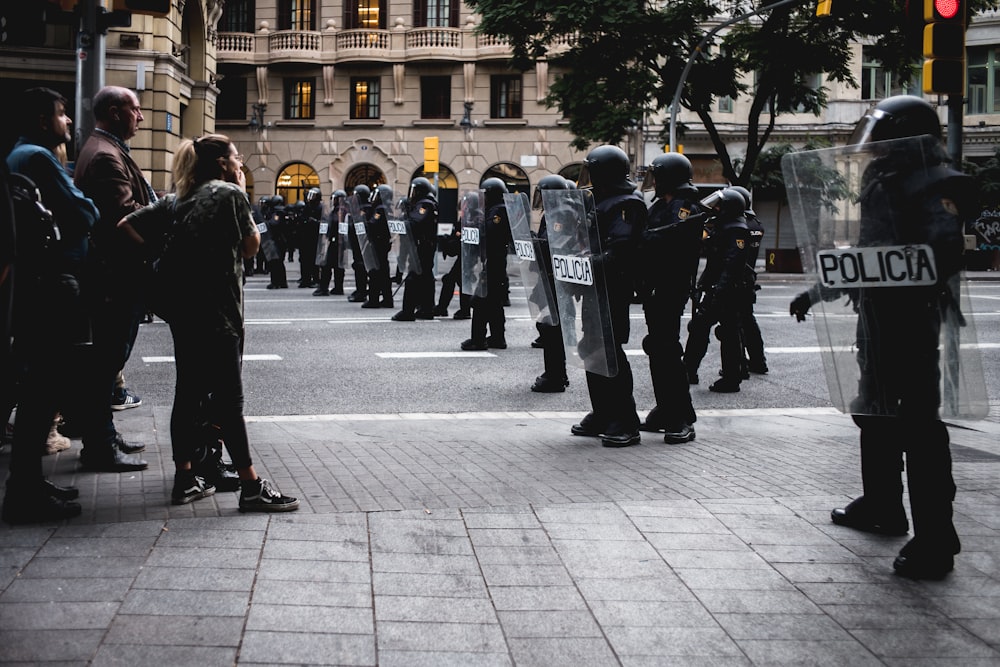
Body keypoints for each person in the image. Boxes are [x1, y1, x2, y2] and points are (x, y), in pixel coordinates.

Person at [789, 96, 975, 579]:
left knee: (918, 428)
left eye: (885, 134)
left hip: (910, 322)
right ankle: (882, 504)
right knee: (872, 412)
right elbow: (871, 253)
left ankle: (936, 538)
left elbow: (941, 250)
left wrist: (901, 272)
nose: (876, 145)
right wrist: (818, 290)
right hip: (875, 317)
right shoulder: (884, 180)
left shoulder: (935, 184)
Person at [118, 134, 298, 512]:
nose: (239, 160)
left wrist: (161, 255)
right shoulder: (228, 195)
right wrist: (240, 191)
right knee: (229, 402)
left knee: (186, 396)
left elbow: (126, 227)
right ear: (221, 163)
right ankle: (251, 487)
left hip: (185, 312)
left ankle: (186, 478)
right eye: (235, 156)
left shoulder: (176, 198)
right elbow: (251, 247)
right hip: (220, 313)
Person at [2, 88, 103, 523]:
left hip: (35, 287)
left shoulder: (18, 156)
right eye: (62, 116)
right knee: (43, 391)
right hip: (49, 290)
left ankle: (27, 483)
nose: (68, 124)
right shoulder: (38, 158)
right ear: (44, 120)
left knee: (40, 390)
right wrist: (83, 204)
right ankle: (24, 491)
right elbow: (84, 212)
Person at [73, 86, 154, 416]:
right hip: (116, 274)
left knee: (108, 356)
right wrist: (165, 215)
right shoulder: (106, 154)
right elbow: (126, 213)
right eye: (135, 109)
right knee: (109, 356)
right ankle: (100, 440)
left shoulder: (109, 148)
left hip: (114, 271)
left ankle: (98, 432)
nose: (141, 116)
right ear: (114, 112)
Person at [568, 145, 644, 448]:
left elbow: (620, 253)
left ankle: (625, 421)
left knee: (610, 352)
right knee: (591, 349)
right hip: (593, 288)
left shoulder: (626, 204)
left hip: (613, 289)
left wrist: (584, 265)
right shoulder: (598, 201)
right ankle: (602, 413)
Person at [637, 153, 703, 442]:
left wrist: (637, 240)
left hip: (670, 287)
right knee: (657, 348)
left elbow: (666, 239)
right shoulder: (661, 205)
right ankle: (666, 409)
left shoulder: (685, 207)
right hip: (655, 287)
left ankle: (681, 416)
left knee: (667, 350)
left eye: (657, 175)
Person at [682, 188, 750, 393]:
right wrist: (701, 286)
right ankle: (693, 371)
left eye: (719, 205)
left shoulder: (737, 230)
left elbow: (732, 265)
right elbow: (713, 264)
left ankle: (728, 377)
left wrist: (718, 291)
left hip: (729, 291)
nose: (715, 209)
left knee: (717, 331)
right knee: (711, 329)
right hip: (719, 289)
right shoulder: (723, 227)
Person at [528, 175, 570, 392]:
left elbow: (556, 245)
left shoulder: (562, 214)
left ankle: (555, 376)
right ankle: (556, 373)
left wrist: (536, 244)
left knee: (552, 329)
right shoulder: (551, 214)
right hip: (549, 278)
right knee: (549, 328)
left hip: (558, 281)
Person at [460, 178, 511, 349]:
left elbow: (490, 232)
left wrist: (476, 225)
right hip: (493, 262)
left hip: (494, 263)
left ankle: (478, 340)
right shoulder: (492, 210)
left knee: (480, 301)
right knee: (494, 302)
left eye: (485, 195)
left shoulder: (499, 211)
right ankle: (497, 338)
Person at [729, 185, 768, 376]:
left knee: (735, 324)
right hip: (748, 279)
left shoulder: (742, 226)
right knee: (748, 321)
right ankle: (758, 361)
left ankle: (740, 365)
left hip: (738, 279)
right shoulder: (756, 225)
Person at [393, 177, 439, 321]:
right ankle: (426, 309)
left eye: (415, 190)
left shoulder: (425, 204)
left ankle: (408, 311)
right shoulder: (424, 203)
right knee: (425, 278)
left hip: (422, 247)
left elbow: (415, 223)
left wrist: (402, 221)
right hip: (423, 246)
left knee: (414, 278)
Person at [365, 184, 394, 309]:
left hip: (378, 244)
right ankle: (387, 299)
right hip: (382, 244)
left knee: (375, 272)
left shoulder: (380, 209)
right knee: (383, 273)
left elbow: (373, 224)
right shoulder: (385, 208)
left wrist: (364, 221)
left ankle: (374, 300)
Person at [314, 189, 346, 296]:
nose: (333, 201)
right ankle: (337, 287)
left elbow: (335, 224)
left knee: (328, 266)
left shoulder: (341, 212)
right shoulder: (336, 211)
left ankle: (325, 288)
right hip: (335, 242)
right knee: (336, 266)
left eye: (335, 199)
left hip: (338, 242)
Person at [346, 185, 369, 303]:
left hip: (363, 244)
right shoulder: (356, 209)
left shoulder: (365, 209)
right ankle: (359, 289)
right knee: (357, 266)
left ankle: (362, 292)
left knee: (361, 267)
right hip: (356, 244)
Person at [296, 188, 322, 289]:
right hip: (305, 237)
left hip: (315, 238)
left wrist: (314, 222)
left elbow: (324, 222)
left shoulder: (320, 208)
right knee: (304, 260)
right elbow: (302, 219)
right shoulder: (307, 207)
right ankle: (305, 279)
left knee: (314, 260)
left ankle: (316, 279)